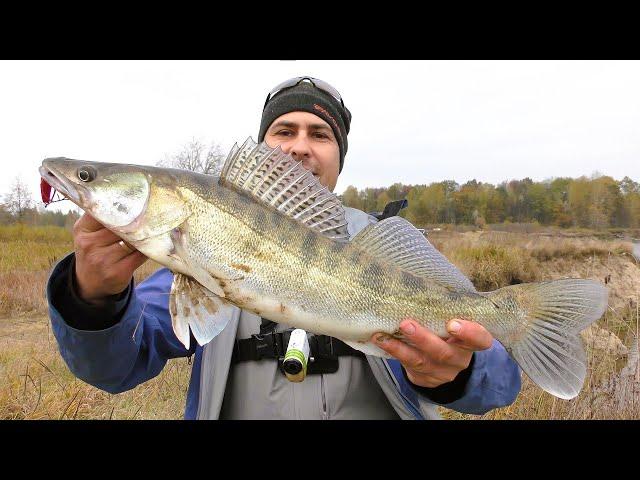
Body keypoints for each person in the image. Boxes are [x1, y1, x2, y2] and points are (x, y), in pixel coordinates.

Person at [46, 76, 521, 419]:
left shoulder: (386, 247)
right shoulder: (197, 255)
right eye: (283, 131)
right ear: (263, 147)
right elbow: (116, 366)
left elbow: (498, 378)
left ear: (340, 155)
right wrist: (93, 299)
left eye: (319, 134)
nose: (299, 147)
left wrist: (458, 370)